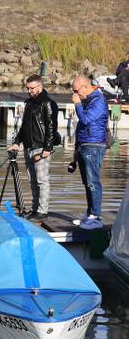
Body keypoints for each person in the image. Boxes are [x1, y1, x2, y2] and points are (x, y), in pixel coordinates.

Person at [8, 74, 58, 220]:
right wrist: (17, 142)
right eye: (27, 88)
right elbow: (24, 126)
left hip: (41, 147)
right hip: (28, 146)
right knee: (33, 180)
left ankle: (43, 210)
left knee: (42, 180)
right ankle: (35, 208)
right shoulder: (29, 103)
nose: (29, 91)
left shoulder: (48, 103)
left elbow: (51, 127)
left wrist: (47, 148)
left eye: (31, 88)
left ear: (40, 86)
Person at [71, 76, 108, 230]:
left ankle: (96, 216)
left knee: (93, 181)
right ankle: (90, 213)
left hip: (94, 145)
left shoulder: (98, 101)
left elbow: (86, 120)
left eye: (75, 91)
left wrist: (78, 104)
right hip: (84, 144)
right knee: (87, 182)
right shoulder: (89, 99)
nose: (73, 94)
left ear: (85, 87)